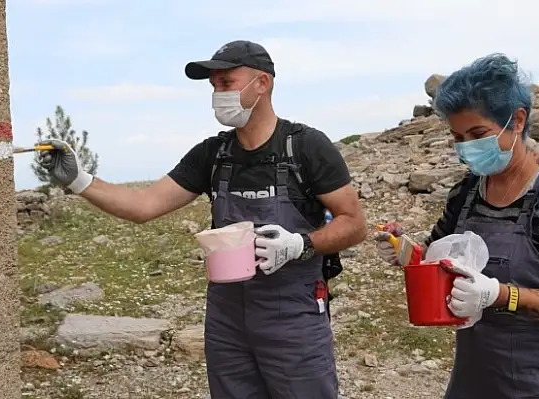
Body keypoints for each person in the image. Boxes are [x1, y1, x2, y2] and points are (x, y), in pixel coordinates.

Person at [37, 40, 367, 399]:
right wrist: (79, 180)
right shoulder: (213, 154)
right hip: (227, 319)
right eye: (213, 86)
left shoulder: (305, 147)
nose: (217, 94)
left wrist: (299, 245)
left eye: (226, 83)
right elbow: (143, 205)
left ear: (262, 83)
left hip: (292, 316)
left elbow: (354, 223)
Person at [375, 54, 539, 398]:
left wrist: (500, 295)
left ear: (517, 120)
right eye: (457, 136)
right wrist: (404, 250)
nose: (466, 148)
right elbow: (436, 261)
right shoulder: (468, 191)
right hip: (477, 381)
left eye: (478, 133)